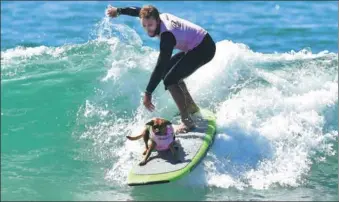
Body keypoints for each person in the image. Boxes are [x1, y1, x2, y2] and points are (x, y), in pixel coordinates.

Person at [106, 5, 216, 133]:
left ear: (157, 21)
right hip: (197, 45)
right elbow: (138, 11)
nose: (148, 29)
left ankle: (187, 121)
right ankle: (190, 107)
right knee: (169, 74)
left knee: (170, 80)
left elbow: (160, 66)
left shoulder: (167, 37)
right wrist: (118, 11)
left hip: (204, 48)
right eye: (144, 25)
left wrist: (148, 93)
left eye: (150, 25)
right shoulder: (156, 16)